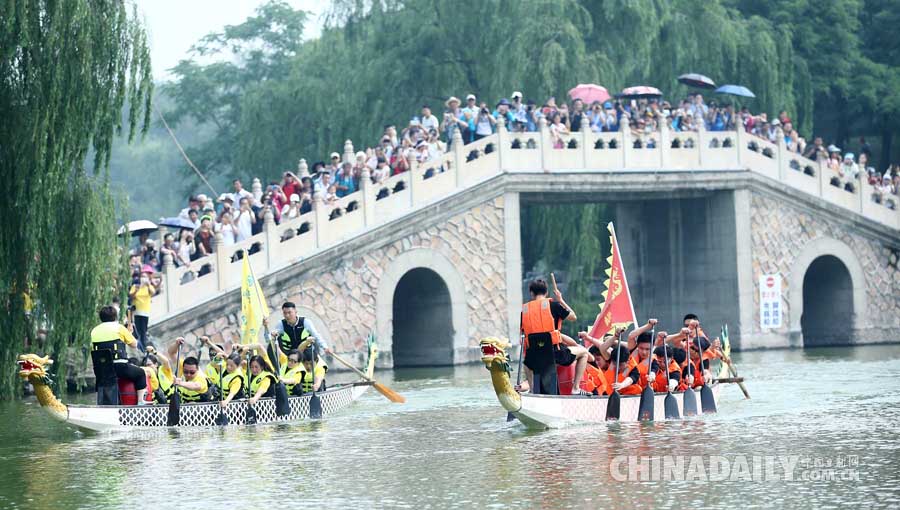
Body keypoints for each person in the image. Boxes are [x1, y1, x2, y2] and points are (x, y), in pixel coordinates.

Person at [516, 278, 590, 396]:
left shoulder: (524, 311)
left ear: (531, 293)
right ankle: (575, 388)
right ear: (546, 293)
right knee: (584, 352)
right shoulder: (554, 305)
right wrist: (561, 300)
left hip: (534, 357)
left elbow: (522, 337)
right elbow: (573, 317)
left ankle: (532, 391)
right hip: (555, 354)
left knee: (528, 362)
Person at [90, 306, 149, 404]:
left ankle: (103, 403)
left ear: (101, 317)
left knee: (106, 378)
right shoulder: (119, 328)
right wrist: (130, 333)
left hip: (101, 370)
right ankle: (140, 402)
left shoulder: (94, 331)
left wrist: (127, 333)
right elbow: (134, 344)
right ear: (115, 317)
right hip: (119, 367)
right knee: (140, 373)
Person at [265, 301, 330, 359]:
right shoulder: (281, 324)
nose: (287, 315)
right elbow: (268, 339)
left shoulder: (306, 322)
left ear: (295, 312)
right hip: (291, 357)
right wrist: (266, 327)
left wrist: (325, 347)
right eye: (285, 313)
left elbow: (316, 336)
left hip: (306, 354)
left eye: (289, 312)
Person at [167, 337, 211, 402]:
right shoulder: (181, 365)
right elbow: (171, 353)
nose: (188, 374)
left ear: (197, 369)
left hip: (201, 406)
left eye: (192, 372)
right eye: (185, 371)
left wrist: (180, 383)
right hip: (184, 404)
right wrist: (176, 344)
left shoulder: (201, 377)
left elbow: (195, 385)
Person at [128, 269, 156, 351]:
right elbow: (131, 296)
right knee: (138, 330)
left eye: (145, 277)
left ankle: (143, 348)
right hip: (137, 311)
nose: (143, 278)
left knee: (143, 330)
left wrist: (148, 285)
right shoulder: (135, 286)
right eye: (142, 277)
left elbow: (153, 292)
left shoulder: (149, 287)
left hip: (145, 312)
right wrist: (137, 289)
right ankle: (140, 347)